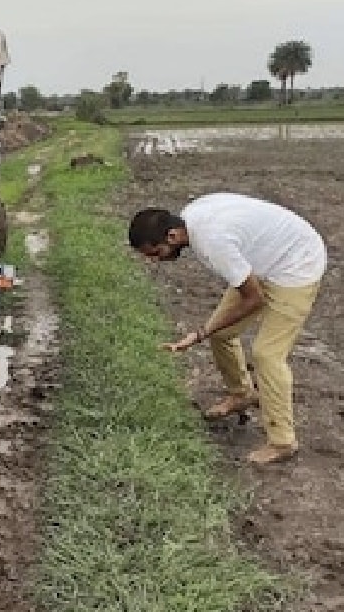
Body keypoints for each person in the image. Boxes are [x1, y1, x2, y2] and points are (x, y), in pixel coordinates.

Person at [128, 192, 327, 465]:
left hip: (297, 266)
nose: (155, 261)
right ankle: (241, 394)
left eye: (155, 253)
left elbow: (253, 299)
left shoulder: (212, 243)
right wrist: (208, 331)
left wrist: (199, 334)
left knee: (267, 354)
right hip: (264, 262)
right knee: (222, 333)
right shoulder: (192, 216)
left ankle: (282, 442)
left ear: (172, 236)